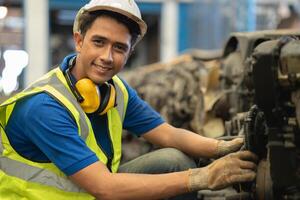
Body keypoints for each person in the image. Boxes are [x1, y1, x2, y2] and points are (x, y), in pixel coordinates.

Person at [0, 0, 257, 199]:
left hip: (89, 194)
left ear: (130, 52)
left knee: (173, 159)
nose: (107, 57)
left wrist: (223, 147)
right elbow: (105, 188)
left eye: (119, 47)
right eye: (98, 42)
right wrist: (204, 177)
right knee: (179, 168)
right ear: (79, 41)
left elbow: (168, 134)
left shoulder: (115, 91)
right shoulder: (44, 107)